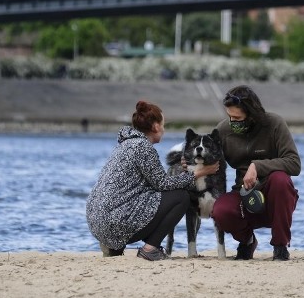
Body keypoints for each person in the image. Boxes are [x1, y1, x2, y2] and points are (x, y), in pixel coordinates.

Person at [86, 100, 220, 261]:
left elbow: (151, 185)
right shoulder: (144, 147)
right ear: (156, 126)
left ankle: (113, 246)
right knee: (181, 197)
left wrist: (186, 169)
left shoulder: (125, 144)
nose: (163, 129)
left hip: (97, 222)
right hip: (114, 222)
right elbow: (163, 184)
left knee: (150, 198)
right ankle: (150, 249)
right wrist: (199, 173)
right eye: (163, 125)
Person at [211, 85, 301, 261]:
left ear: (251, 114)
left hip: (275, 197)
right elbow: (208, 154)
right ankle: (247, 241)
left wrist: (257, 166)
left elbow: (294, 163)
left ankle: (280, 246)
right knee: (220, 211)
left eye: (237, 118)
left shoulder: (275, 123)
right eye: (229, 117)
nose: (232, 122)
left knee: (280, 179)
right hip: (243, 194)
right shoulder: (223, 130)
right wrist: (186, 161)